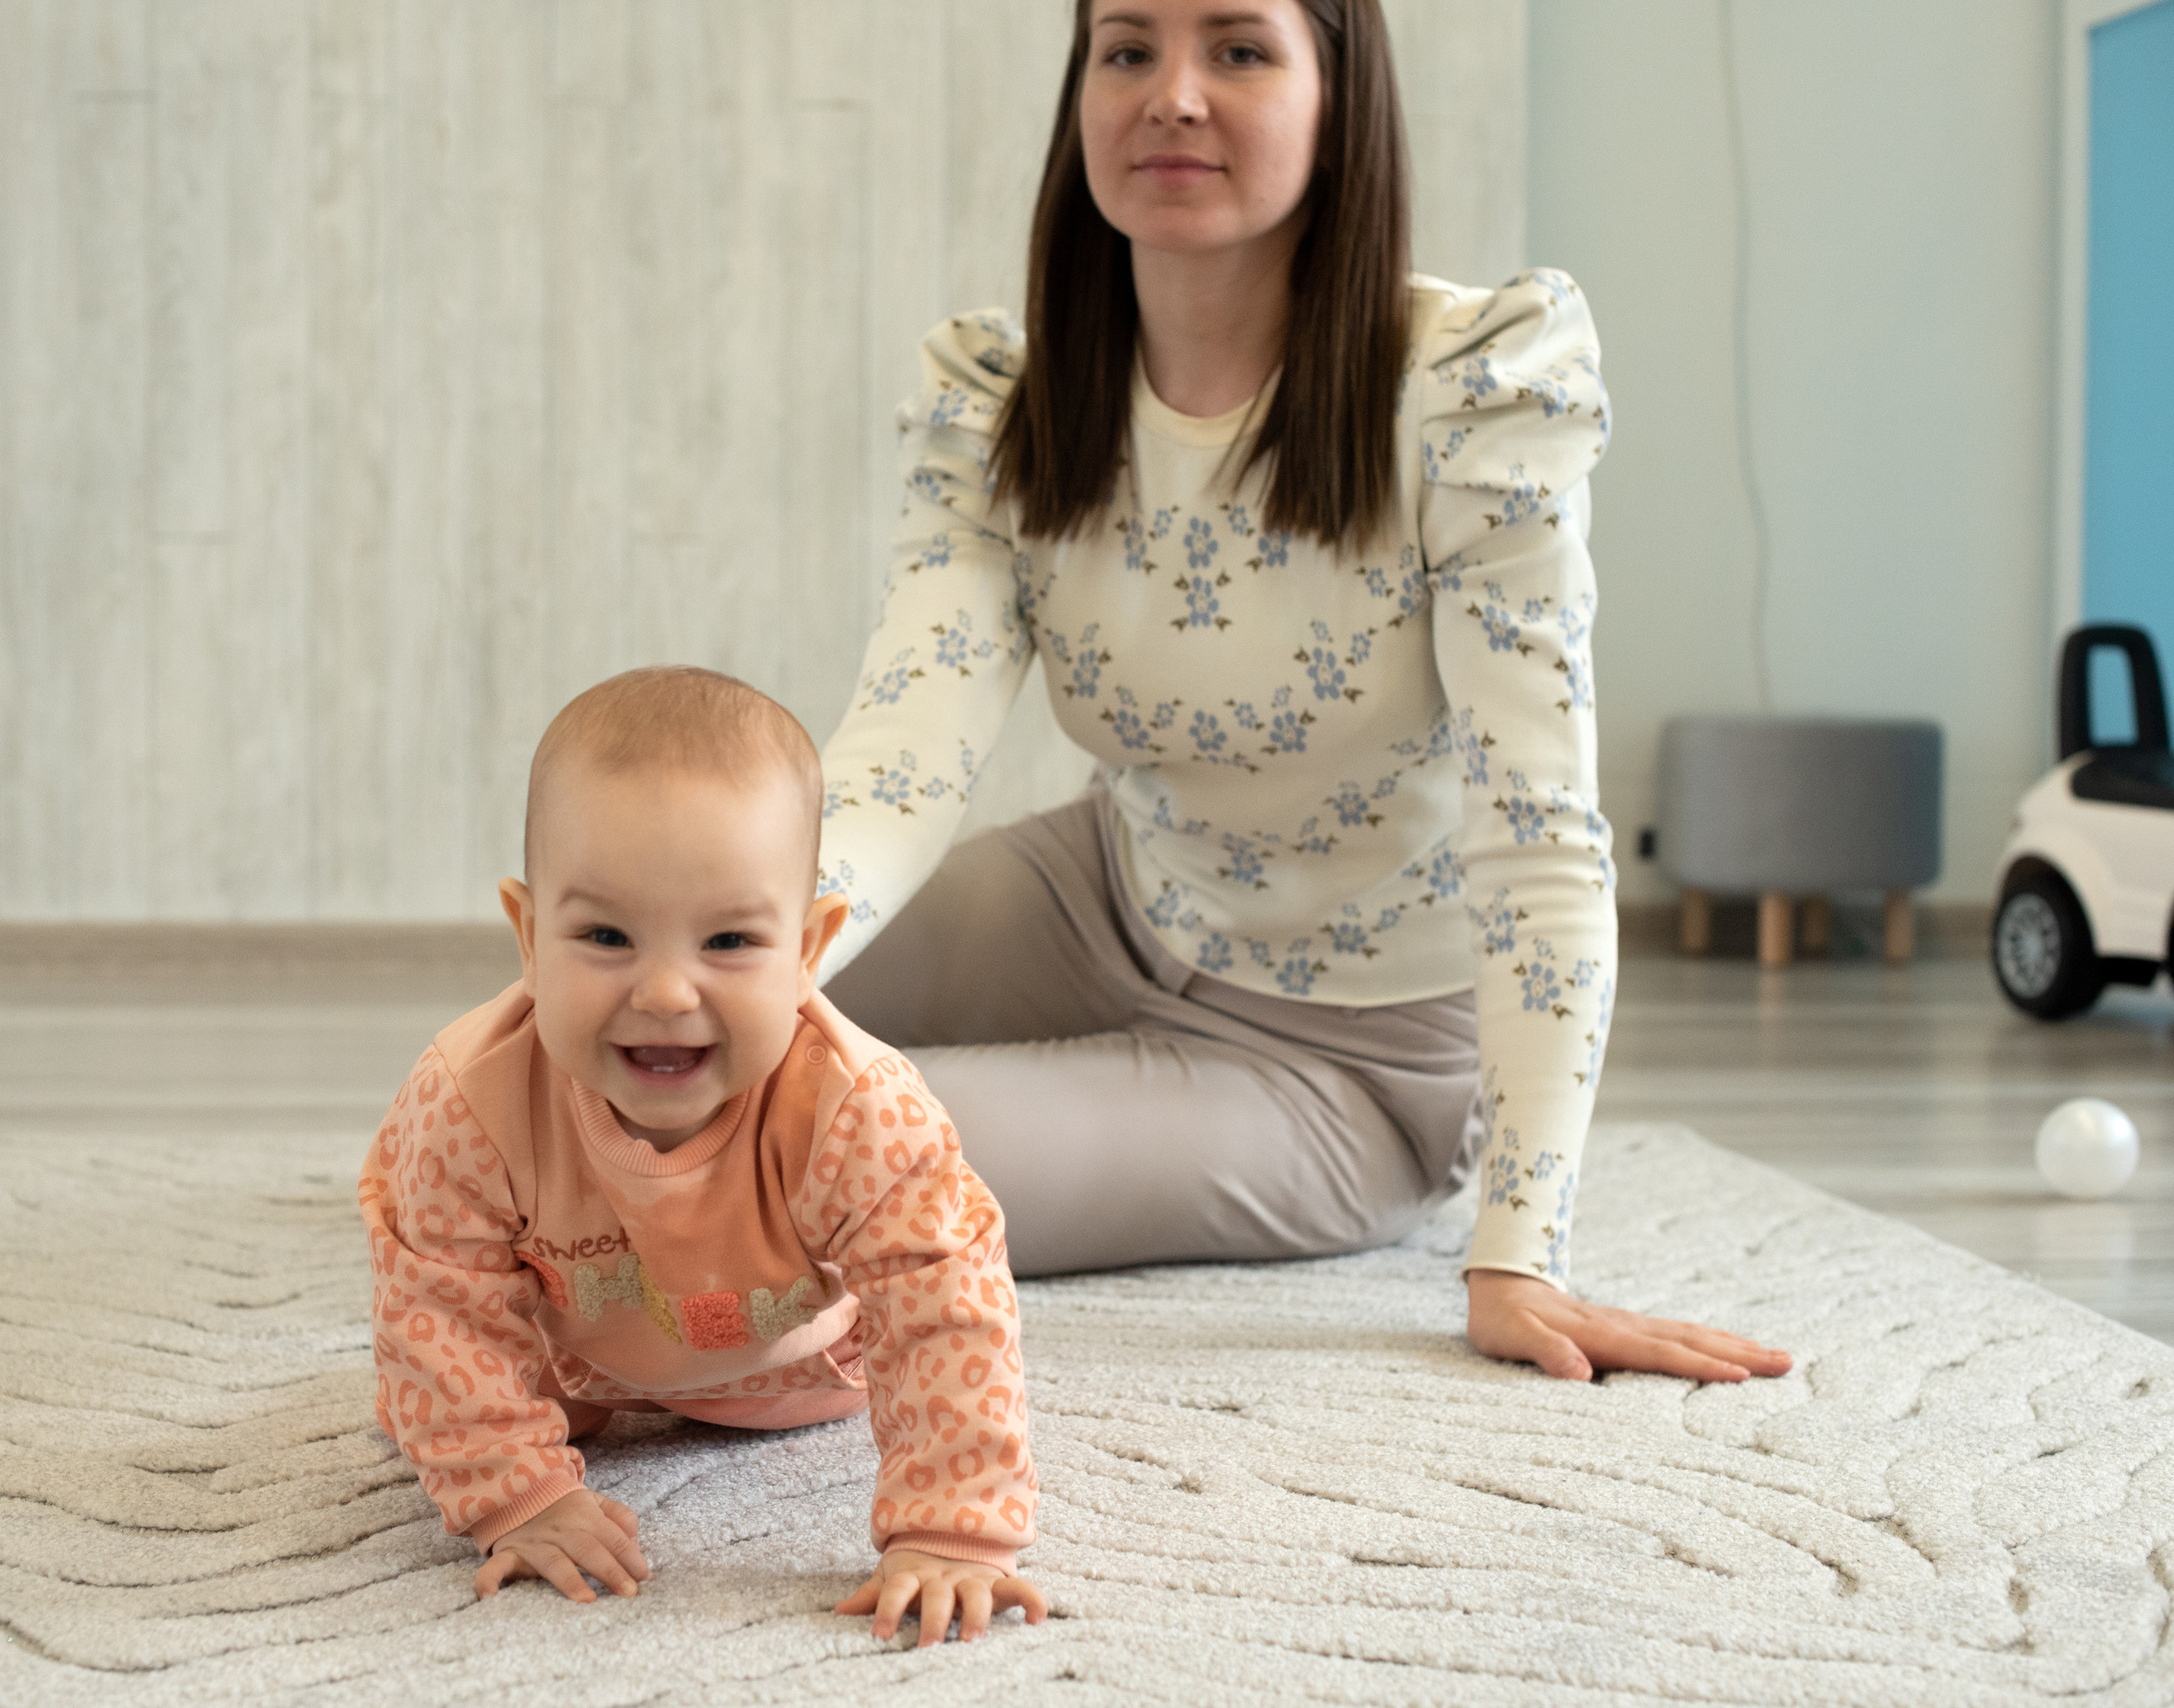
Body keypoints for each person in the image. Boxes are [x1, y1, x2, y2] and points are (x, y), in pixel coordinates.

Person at [815, 0, 1791, 1386]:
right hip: (1112, 895)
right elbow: (900, 754)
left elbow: (1540, 831)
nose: (1175, 96)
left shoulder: (1466, 399)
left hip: (1352, 1065)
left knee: (818, 1152)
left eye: (1241, 49)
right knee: (655, 1023)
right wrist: (717, 963)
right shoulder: (1012, 404)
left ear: (1341, 103)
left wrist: (1521, 1246)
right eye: (1129, 49)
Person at [359, 668, 1047, 1645]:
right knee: (419, 1386)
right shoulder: (468, 1096)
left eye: (728, 939)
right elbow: (439, 1305)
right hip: (569, 1371)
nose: (669, 990)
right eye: (605, 935)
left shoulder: (857, 1105)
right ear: (526, 934)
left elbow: (943, 1297)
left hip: (802, 1376)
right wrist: (512, 1491)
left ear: (806, 948)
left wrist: (951, 1527)